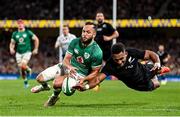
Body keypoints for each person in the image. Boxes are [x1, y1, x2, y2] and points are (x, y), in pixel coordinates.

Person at [31, 22, 103, 107]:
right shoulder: (75, 42)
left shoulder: (97, 51)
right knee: (39, 79)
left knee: (58, 85)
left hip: (79, 73)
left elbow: (95, 72)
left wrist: (84, 80)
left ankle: (54, 96)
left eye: (88, 32)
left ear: (94, 34)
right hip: (67, 66)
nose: (84, 34)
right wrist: (69, 67)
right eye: (83, 31)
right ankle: (45, 86)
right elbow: (66, 59)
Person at [74, 42, 170, 92]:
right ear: (112, 57)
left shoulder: (131, 52)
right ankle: (156, 73)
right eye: (116, 59)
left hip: (144, 69)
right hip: (138, 84)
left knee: (153, 67)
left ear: (126, 53)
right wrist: (85, 87)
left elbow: (150, 54)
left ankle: (157, 70)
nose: (119, 62)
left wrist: (157, 62)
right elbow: (97, 80)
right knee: (157, 84)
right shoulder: (110, 66)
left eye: (121, 59)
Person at [9, 19, 39, 88]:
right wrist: (11, 48)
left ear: (23, 24)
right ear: (17, 25)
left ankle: (28, 70)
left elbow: (36, 39)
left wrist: (36, 48)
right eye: (19, 23)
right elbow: (12, 43)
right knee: (21, 69)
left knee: (23, 65)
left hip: (27, 52)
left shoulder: (28, 32)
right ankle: (25, 81)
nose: (20, 24)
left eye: (21, 23)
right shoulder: (15, 33)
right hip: (18, 53)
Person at [94, 11, 119, 86]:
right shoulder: (94, 27)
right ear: (96, 18)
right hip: (97, 51)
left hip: (107, 50)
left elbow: (116, 34)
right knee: (96, 66)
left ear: (103, 17)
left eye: (101, 16)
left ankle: (117, 77)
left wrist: (109, 38)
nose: (99, 17)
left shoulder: (107, 25)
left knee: (112, 65)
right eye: (98, 16)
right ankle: (95, 81)